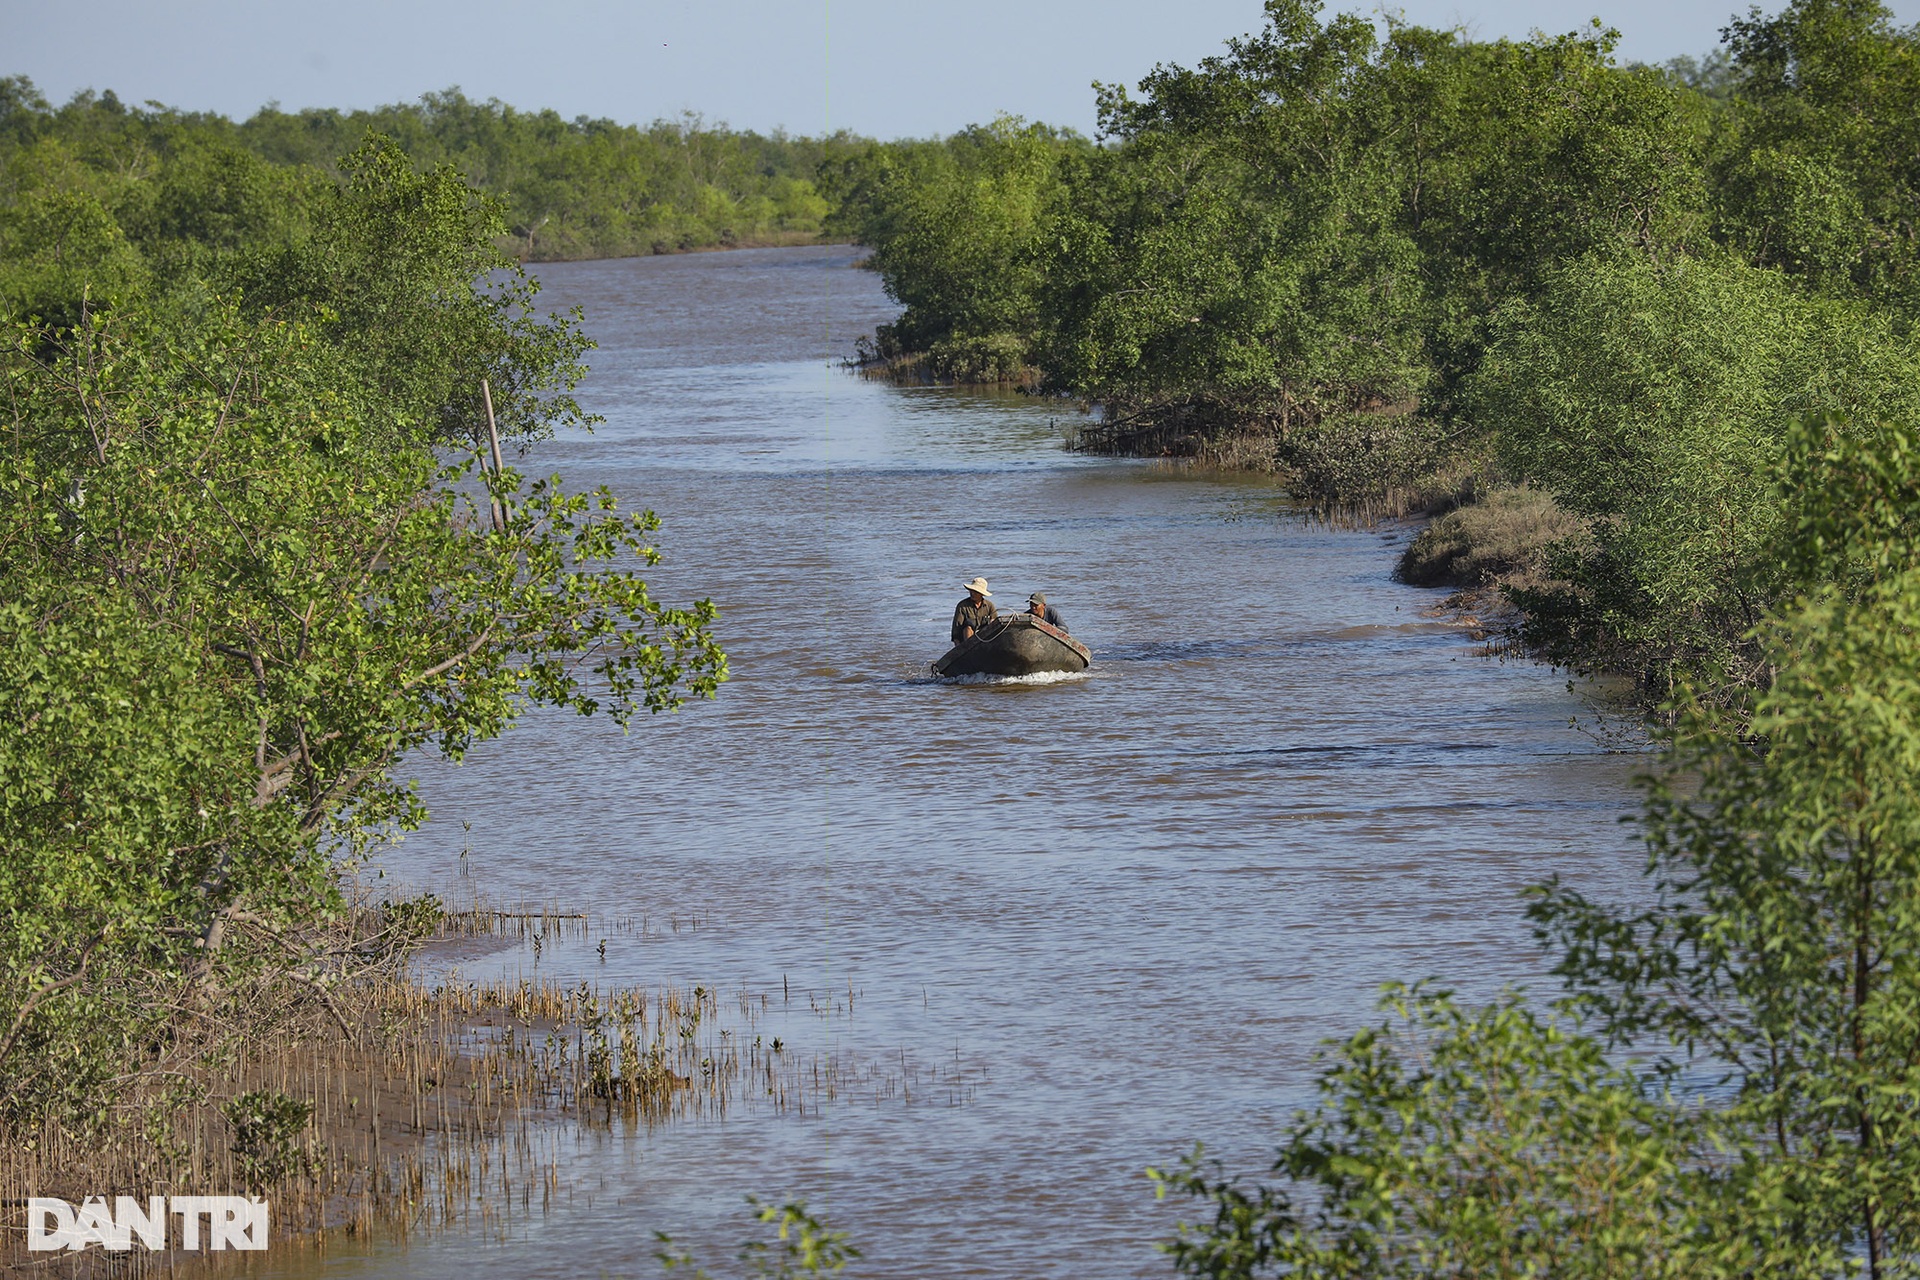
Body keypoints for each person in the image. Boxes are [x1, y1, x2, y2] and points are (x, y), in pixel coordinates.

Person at [952, 577, 996, 643]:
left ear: (981, 594)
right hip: (966, 640)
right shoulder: (962, 606)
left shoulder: (989, 606)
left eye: (976, 592)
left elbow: (994, 624)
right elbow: (956, 629)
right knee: (968, 628)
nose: (972, 593)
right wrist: (958, 645)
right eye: (971, 591)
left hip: (984, 638)